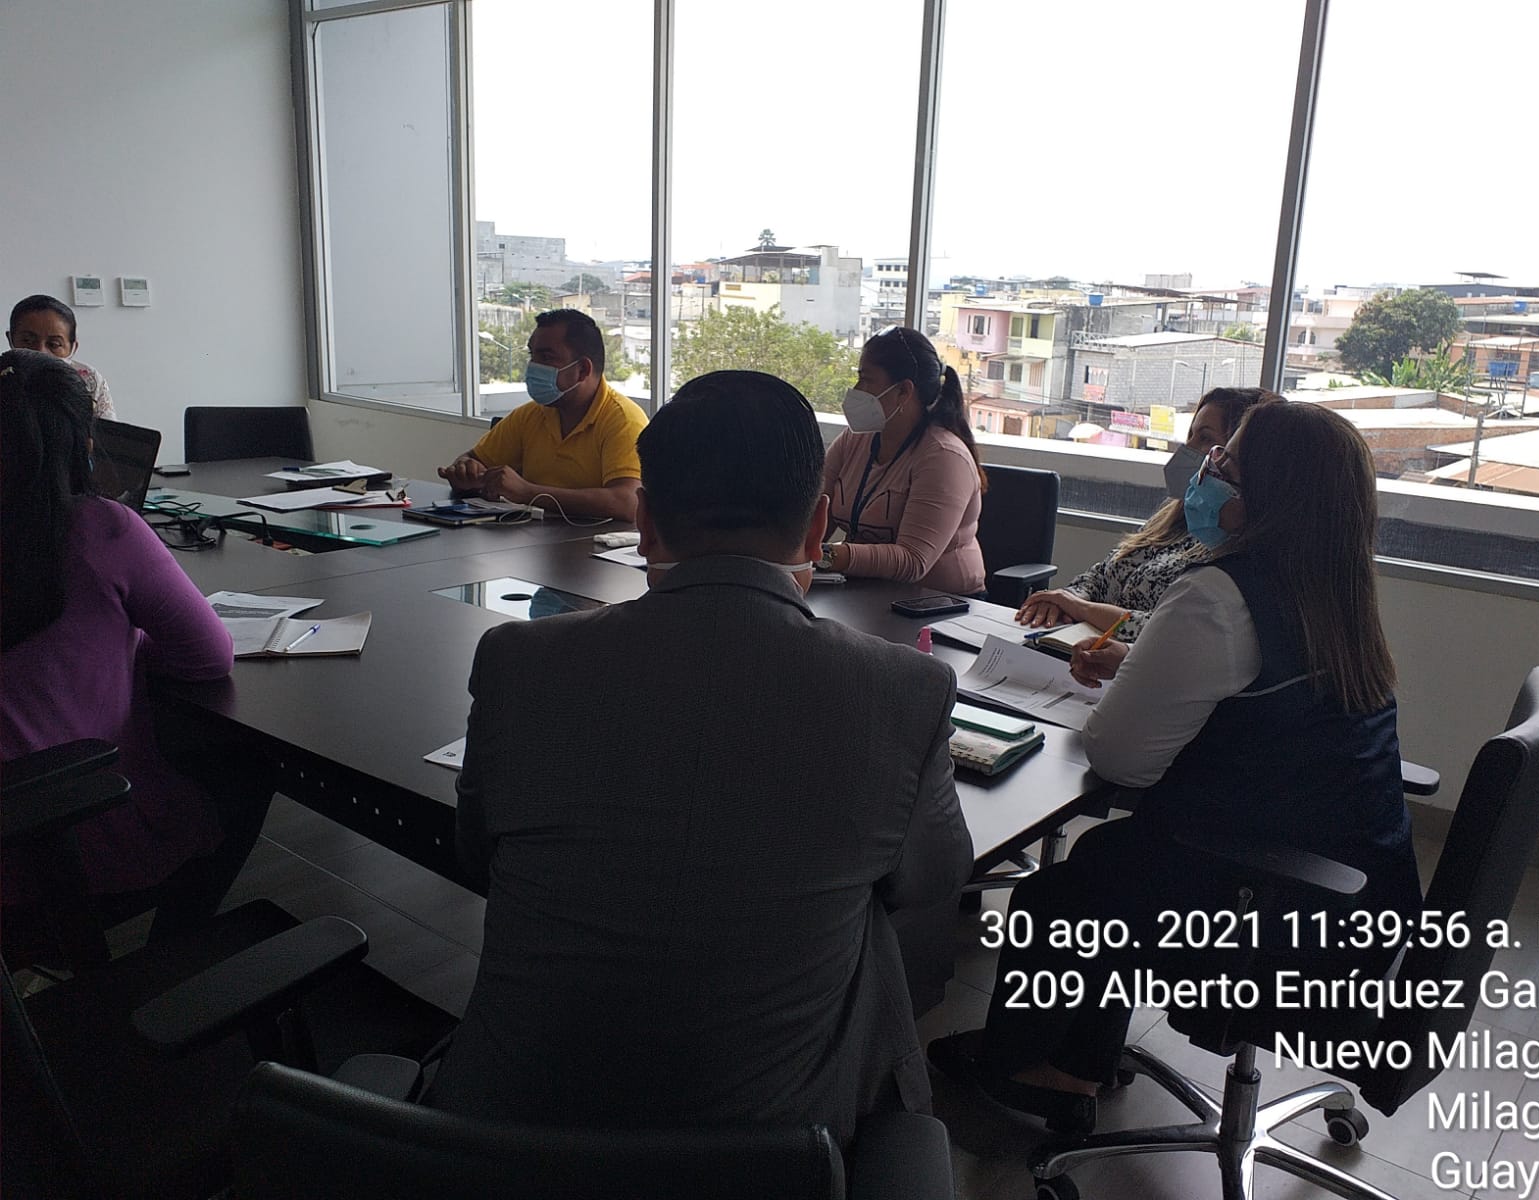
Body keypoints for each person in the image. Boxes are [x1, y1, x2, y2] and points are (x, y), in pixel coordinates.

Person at [429, 370, 974, 1143]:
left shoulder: (517, 661)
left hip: (501, 1141)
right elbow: (932, 879)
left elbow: (477, 854)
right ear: (817, 531)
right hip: (776, 1158)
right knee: (865, 920)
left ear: (646, 525)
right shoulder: (904, 690)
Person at [928, 401, 1423, 1136]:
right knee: (1115, 861)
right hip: (1362, 900)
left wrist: (1132, 689)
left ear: (1270, 496)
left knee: (1064, 894)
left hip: (1275, 910)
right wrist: (1143, 666)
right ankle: (1079, 1062)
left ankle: (1027, 1070)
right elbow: (1262, 701)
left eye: (1226, 462)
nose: (1207, 469)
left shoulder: (1220, 594)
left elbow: (1119, 756)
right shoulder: (1335, 589)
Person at [0, 350, 265, 942]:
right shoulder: (101, 527)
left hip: (24, 820)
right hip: (57, 839)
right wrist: (129, 639)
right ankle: (168, 961)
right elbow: (208, 657)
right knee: (244, 768)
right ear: (85, 444)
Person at [1014, 386, 1280, 644]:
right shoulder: (1171, 518)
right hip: (1079, 645)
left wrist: (1080, 609)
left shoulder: (1233, 555)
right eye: (1190, 435)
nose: (1188, 449)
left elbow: (1167, 630)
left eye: (1205, 439)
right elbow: (1101, 574)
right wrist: (1062, 600)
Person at [818, 326, 986, 595]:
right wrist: (790, 548)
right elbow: (816, 513)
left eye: (866, 380)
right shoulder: (855, 439)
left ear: (903, 391)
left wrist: (825, 555)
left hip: (942, 604)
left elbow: (913, 560)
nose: (856, 390)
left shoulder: (943, 456)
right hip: (864, 591)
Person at [438, 308, 646, 521]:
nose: (533, 366)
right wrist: (465, 472)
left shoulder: (623, 420)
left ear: (583, 370)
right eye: (532, 355)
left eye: (546, 357)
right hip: (532, 537)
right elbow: (473, 458)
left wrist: (528, 492)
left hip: (592, 541)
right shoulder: (531, 414)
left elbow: (628, 502)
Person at [7, 293, 115, 418]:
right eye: (27, 341)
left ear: (73, 348)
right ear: (11, 339)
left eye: (54, 344)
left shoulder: (90, 380)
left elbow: (107, 428)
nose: (40, 351)